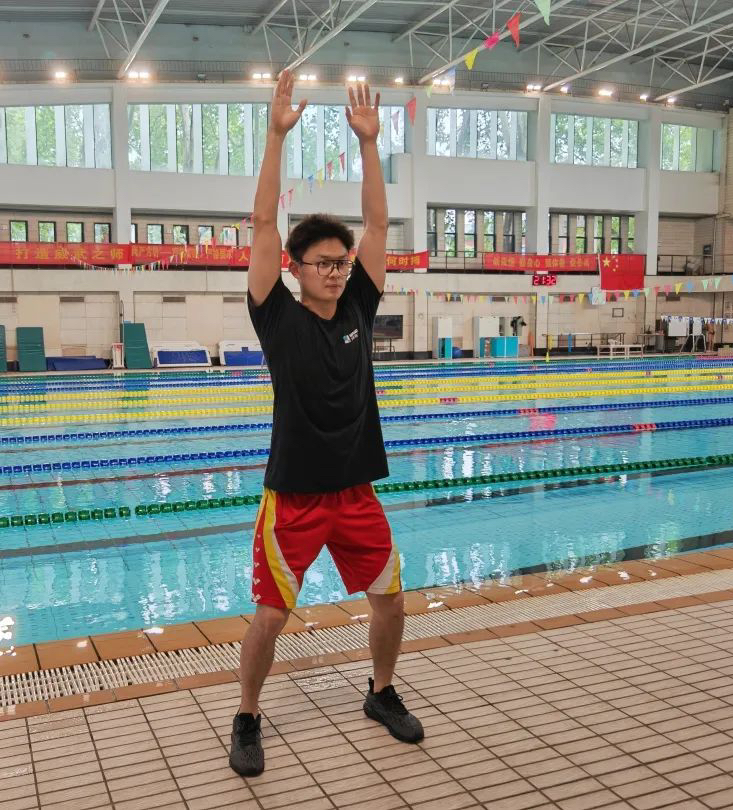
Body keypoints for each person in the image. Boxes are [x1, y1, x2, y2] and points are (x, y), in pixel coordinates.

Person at [229, 71, 424, 777]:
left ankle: (381, 691)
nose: (338, 272)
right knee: (271, 615)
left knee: (391, 601)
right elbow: (262, 225)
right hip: (295, 498)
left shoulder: (359, 309)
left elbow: (378, 225)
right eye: (324, 264)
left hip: (356, 491)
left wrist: (370, 145)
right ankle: (247, 714)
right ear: (297, 268)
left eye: (343, 263)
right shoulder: (276, 316)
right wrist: (275, 135)